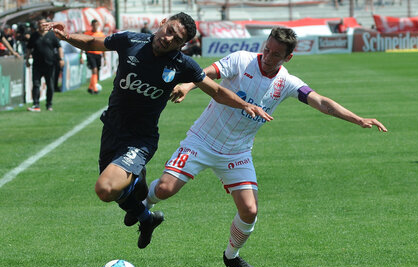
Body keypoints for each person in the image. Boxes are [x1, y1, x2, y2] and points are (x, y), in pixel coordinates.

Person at [140, 27, 388, 267]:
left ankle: (231, 256)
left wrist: (358, 119)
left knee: (249, 210)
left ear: (288, 57)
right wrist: (186, 86)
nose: (268, 57)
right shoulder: (241, 60)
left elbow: (321, 101)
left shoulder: (287, 82)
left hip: (237, 153)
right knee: (164, 189)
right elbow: (206, 73)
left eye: (276, 55)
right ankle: (142, 205)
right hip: (202, 140)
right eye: (267, 49)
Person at [41, 12, 272, 249]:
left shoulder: (182, 64)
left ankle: (138, 188)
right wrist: (66, 36)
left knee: (105, 188)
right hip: (111, 128)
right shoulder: (130, 41)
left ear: (183, 45)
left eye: (177, 39)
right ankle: (146, 217)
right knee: (112, 193)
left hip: (140, 140)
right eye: (169, 30)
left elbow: (215, 91)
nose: (169, 38)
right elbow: (92, 43)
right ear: (163, 24)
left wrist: (245, 104)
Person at [25, 18, 64, 112]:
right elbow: (29, 48)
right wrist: (26, 59)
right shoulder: (34, 36)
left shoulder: (51, 35)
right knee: (36, 84)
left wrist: (61, 59)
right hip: (37, 64)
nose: (41, 26)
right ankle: (36, 104)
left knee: (50, 85)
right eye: (39, 24)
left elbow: (59, 47)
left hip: (50, 64)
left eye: (43, 24)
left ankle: (49, 104)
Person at [82, 19, 106, 94]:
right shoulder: (87, 33)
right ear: (91, 25)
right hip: (90, 53)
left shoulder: (101, 34)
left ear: (98, 25)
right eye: (94, 25)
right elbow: (83, 44)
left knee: (96, 71)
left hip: (98, 54)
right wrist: (81, 56)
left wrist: (104, 58)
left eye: (96, 25)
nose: (95, 26)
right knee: (94, 69)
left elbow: (103, 46)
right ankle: (95, 89)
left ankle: (90, 87)